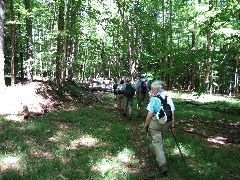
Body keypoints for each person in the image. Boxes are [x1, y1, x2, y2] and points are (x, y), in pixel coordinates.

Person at [144, 80, 175, 175]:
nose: (151, 90)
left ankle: (163, 165)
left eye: (152, 89)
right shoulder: (168, 98)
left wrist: (146, 125)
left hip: (156, 123)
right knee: (161, 139)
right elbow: (172, 113)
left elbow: (149, 114)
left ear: (157, 90)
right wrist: (172, 125)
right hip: (166, 123)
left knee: (157, 143)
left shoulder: (154, 99)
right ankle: (159, 154)